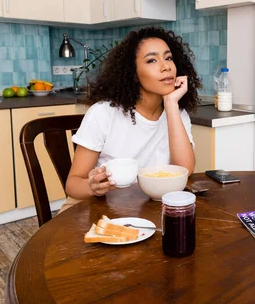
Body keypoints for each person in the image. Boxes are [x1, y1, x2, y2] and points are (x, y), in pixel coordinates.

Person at [59, 27, 202, 213]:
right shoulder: (103, 114)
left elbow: (185, 169)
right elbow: (72, 184)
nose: (166, 66)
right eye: (152, 60)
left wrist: (172, 104)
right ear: (133, 73)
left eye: (168, 58)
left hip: (145, 208)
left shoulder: (177, 113)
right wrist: (92, 187)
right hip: (97, 208)